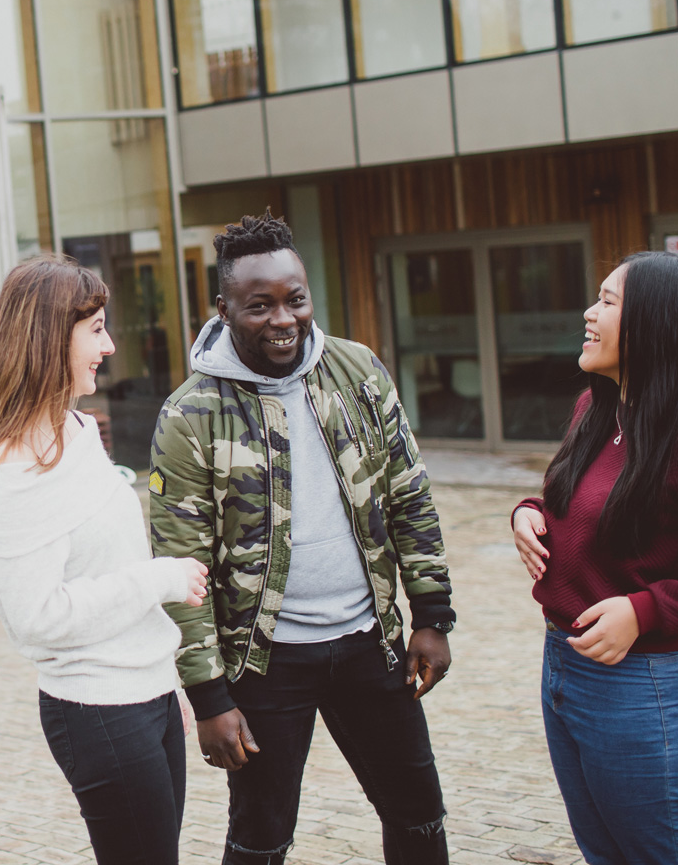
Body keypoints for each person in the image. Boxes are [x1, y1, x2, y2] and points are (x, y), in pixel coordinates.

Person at [149, 211, 455, 865]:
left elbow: (409, 493)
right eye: (259, 306)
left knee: (420, 816)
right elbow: (180, 560)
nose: (283, 319)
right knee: (262, 839)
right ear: (224, 309)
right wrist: (208, 696)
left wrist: (432, 616)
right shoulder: (190, 413)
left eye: (296, 300)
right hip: (266, 664)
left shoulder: (358, 372)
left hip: (369, 643)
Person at [512, 250, 678, 865]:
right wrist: (529, 511)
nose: (588, 312)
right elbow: (579, 500)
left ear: (654, 325)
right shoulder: (597, 409)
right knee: (605, 856)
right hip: (564, 668)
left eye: (608, 301)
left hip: (646, 689)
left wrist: (646, 609)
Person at [0, 253, 208, 865]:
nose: (112, 344)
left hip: (143, 696)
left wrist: (160, 678)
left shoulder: (74, 429)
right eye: (96, 328)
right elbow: (37, 617)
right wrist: (163, 578)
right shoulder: (14, 465)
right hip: (98, 712)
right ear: (49, 337)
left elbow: (103, 562)